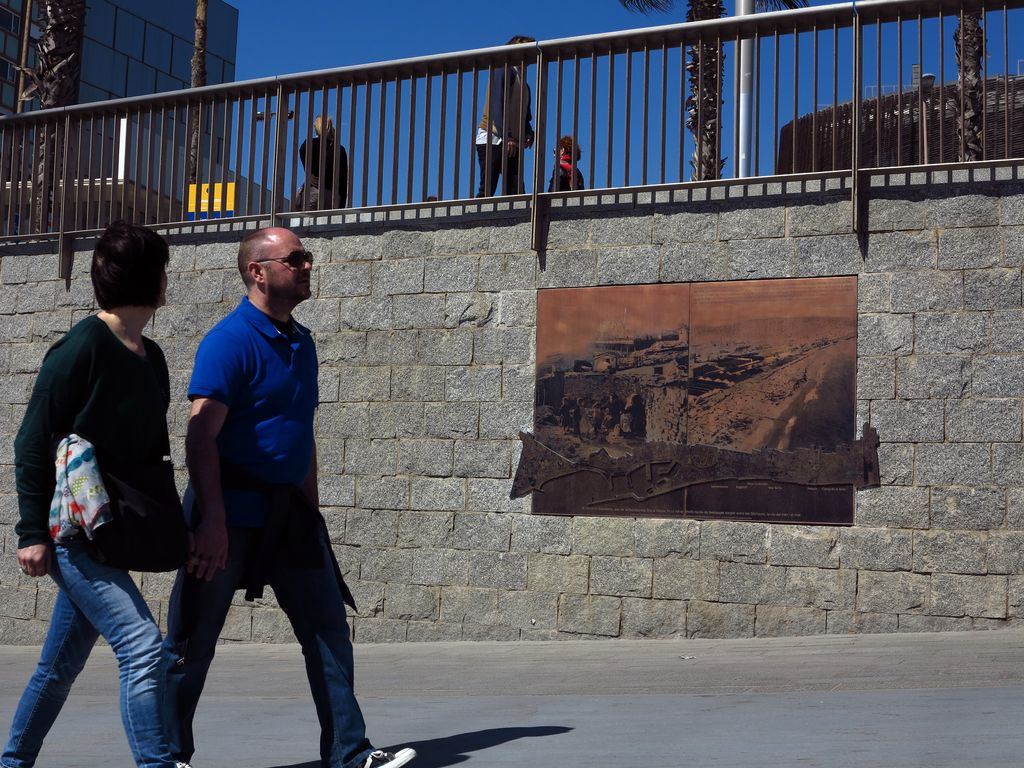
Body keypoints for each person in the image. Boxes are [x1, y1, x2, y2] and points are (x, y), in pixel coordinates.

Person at [162, 227, 416, 768]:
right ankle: (166, 756)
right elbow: (200, 436)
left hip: (291, 517)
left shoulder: (303, 344)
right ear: (258, 271)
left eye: (306, 257)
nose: (307, 265)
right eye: (295, 258)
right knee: (191, 643)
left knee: (329, 631)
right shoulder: (229, 341)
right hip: (227, 515)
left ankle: (350, 753)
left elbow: (300, 431)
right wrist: (211, 523)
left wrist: (313, 512)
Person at [3, 222, 185, 768]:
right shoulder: (81, 346)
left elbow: (154, 460)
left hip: (114, 533)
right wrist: (32, 534)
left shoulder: (150, 358)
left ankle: (13, 763)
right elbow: (32, 441)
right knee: (143, 648)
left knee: (58, 667)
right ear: (154, 283)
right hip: (73, 535)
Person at [476, 35, 535, 197]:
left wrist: (529, 132)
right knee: (488, 188)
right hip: (493, 138)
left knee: (516, 189)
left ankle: (517, 220)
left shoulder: (524, 84)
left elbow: (525, 115)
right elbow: (497, 105)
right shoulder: (504, 69)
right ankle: (477, 219)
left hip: (511, 142)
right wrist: (507, 136)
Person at [295, 115, 348, 211]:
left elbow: (302, 151)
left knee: (308, 223)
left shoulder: (309, 144)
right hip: (333, 196)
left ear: (316, 128)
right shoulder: (339, 149)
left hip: (313, 192)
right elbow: (343, 180)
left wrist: (310, 174)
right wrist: (341, 204)